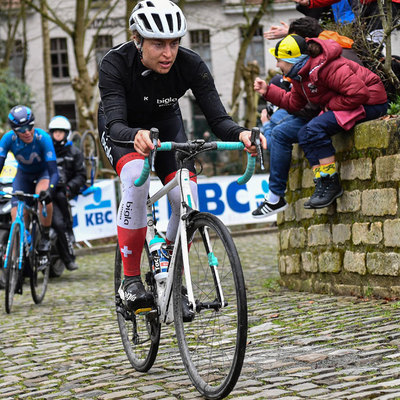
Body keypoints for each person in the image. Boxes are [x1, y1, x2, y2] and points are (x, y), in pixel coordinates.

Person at [98, 0, 266, 313]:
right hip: (123, 129)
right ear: (138, 40)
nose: (168, 53)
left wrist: (242, 134)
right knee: (136, 183)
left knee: (186, 193)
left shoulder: (190, 64)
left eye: (174, 43)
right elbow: (115, 123)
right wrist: (135, 135)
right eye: (158, 44)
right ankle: (131, 280)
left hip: (166, 124)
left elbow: (218, 121)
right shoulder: (115, 63)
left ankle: (172, 264)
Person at [254, 34, 387, 210]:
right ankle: (323, 182)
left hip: (371, 103)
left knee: (313, 129)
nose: (277, 65)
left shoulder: (326, 67)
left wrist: (329, 105)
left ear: (292, 59)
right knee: (304, 134)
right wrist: (268, 91)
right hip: (350, 102)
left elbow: (359, 94)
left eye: (279, 60)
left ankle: (331, 183)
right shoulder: (300, 75)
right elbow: (293, 103)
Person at [0, 105, 58, 253]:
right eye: (21, 129)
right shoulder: (8, 139)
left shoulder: (43, 138)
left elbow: (54, 172)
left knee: (42, 197)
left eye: (29, 126)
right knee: (16, 216)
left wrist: (50, 190)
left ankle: (45, 236)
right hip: (23, 175)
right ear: (14, 130)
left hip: (42, 173)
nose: (26, 132)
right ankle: (20, 243)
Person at [48, 116, 86, 272]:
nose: (57, 135)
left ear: (66, 133)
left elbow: (81, 175)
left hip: (63, 193)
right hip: (45, 189)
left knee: (58, 223)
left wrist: (69, 187)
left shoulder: (74, 152)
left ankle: (68, 257)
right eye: (55, 132)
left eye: (60, 132)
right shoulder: (46, 150)